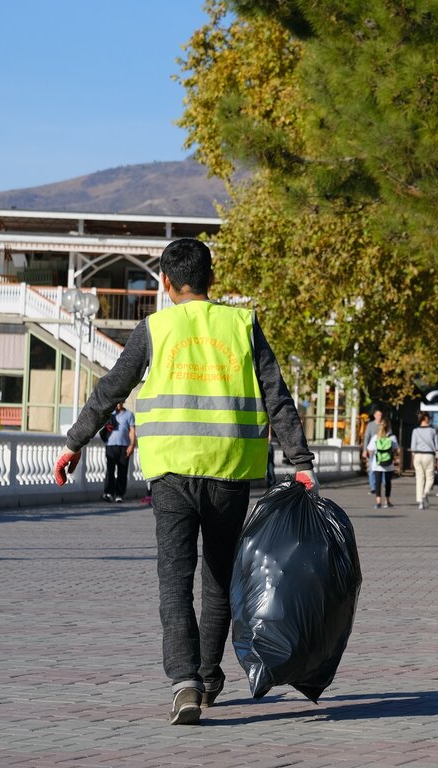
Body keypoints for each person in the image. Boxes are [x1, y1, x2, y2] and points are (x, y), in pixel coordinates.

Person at [52, 238, 316, 726]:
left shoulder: (154, 329)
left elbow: (112, 389)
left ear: (166, 282)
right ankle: (210, 677)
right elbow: (277, 397)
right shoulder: (243, 325)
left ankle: (185, 683)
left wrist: (74, 443)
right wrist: (300, 459)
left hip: (171, 473)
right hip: (229, 473)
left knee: (174, 579)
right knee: (218, 578)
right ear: (212, 279)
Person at [102, 401, 136, 503]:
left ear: (124, 402)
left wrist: (132, 445)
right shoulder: (110, 415)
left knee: (122, 470)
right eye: (116, 402)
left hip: (124, 446)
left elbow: (132, 431)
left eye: (120, 402)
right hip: (111, 445)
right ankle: (109, 493)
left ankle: (119, 494)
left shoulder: (129, 415)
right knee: (110, 470)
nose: (118, 404)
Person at [366, 419, 400, 508]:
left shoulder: (375, 437)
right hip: (388, 463)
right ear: (389, 427)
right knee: (388, 482)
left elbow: (370, 449)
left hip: (377, 463)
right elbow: (396, 449)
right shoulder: (392, 437)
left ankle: (378, 502)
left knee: (378, 482)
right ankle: (387, 501)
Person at [408, 412, 438, 509]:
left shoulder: (415, 431)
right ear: (426, 418)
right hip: (429, 455)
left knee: (419, 479)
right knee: (430, 478)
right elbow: (436, 446)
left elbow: (413, 447)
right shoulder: (433, 431)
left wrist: (413, 459)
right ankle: (425, 493)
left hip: (418, 455)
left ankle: (420, 501)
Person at [363, 408, 385, 498]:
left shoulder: (384, 424)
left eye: (380, 415)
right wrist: (365, 450)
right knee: (372, 470)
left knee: (383, 469)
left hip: (383, 451)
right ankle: (373, 487)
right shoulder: (370, 425)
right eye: (378, 415)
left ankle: (383, 486)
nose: (379, 417)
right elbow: (366, 437)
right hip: (372, 451)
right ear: (374, 415)